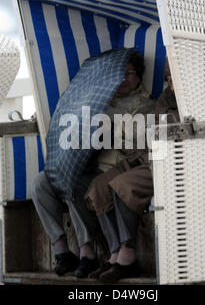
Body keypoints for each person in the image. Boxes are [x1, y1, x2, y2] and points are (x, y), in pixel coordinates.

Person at [31, 50, 153, 278]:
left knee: (71, 179)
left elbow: (136, 136)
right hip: (89, 164)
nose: (124, 79)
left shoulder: (142, 104)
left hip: (113, 167)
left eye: (130, 73)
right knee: (41, 181)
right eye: (120, 74)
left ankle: (87, 252)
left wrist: (105, 121)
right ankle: (62, 250)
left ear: (139, 77)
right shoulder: (100, 99)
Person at [84, 59, 180, 283]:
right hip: (142, 157)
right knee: (99, 187)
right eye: (167, 79)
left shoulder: (162, 101)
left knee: (122, 185)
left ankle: (128, 257)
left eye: (173, 78)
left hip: (165, 161)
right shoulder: (166, 99)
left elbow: (157, 134)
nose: (170, 84)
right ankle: (115, 253)